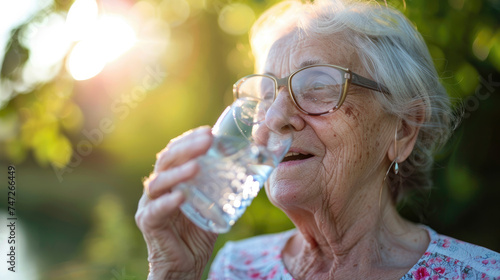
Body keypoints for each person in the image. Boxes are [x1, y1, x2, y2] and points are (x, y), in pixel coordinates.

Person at [135, 0, 500, 279]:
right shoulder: (236, 268)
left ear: (403, 129)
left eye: (318, 87)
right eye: (266, 95)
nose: (275, 118)